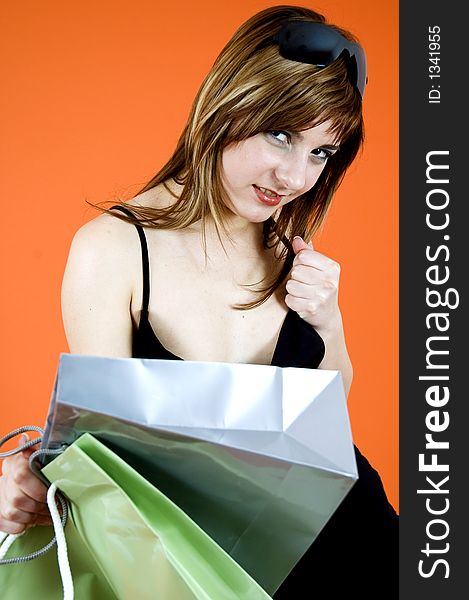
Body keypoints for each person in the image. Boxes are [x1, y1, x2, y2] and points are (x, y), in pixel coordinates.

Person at [0, 4, 398, 597]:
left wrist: (328, 322)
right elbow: (105, 453)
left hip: (358, 545)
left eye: (321, 152)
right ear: (229, 103)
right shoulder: (115, 248)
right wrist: (26, 476)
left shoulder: (289, 249)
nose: (294, 176)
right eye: (281, 134)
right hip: (217, 571)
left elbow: (327, 419)